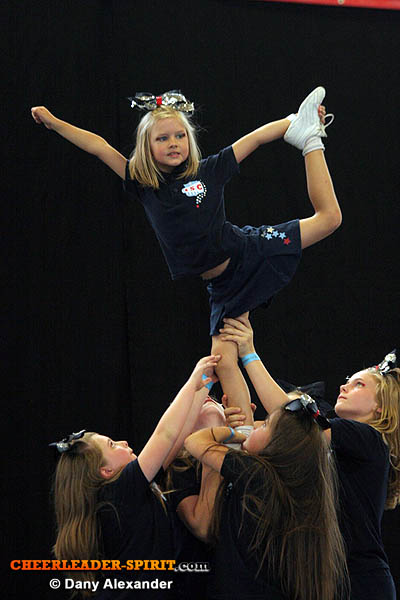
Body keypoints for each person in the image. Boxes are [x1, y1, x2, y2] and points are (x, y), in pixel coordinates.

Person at [31, 87, 340, 422]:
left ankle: (311, 139)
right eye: (162, 138)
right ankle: (245, 433)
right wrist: (55, 123)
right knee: (223, 360)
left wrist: (292, 122)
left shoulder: (208, 171)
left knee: (329, 219)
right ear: (146, 147)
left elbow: (254, 139)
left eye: (180, 136)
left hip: (249, 253)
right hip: (223, 286)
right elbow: (99, 147)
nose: (174, 143)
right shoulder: (143, 184)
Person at [219, 314, 400, 600]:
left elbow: (293, 419)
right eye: (348, 381)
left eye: (359, 385)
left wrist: (249, 353)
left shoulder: (370, 440)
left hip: (361, 582)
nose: (343, 387)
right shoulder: (333, 436)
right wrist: (235, 426)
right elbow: (277, 429)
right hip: (321, 576)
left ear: (381, 407)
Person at [49, 354, 221, 599]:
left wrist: (204, 384)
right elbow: (165, 434)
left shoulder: (126, 493)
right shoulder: (117, 493)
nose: (123, 442)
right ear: (105, 471)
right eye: (112, 444)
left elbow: (175, 440)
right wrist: (194, 380)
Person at [184, 394, 347, 600]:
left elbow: (194, 441)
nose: (256, 425)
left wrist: (230, 432)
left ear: (277, 445)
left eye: (264, 424)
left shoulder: (258, 474)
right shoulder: (295, 488)